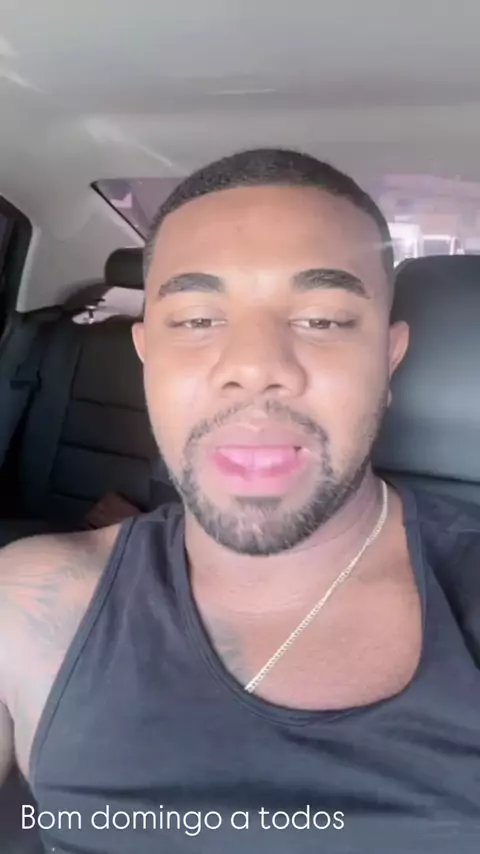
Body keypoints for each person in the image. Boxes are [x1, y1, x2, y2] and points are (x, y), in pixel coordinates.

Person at [1, 148, 479, 854]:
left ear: (389, 357)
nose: (255, 367)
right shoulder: (29, 603)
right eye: (197, 320)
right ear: (146, 355)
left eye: (323, 319)